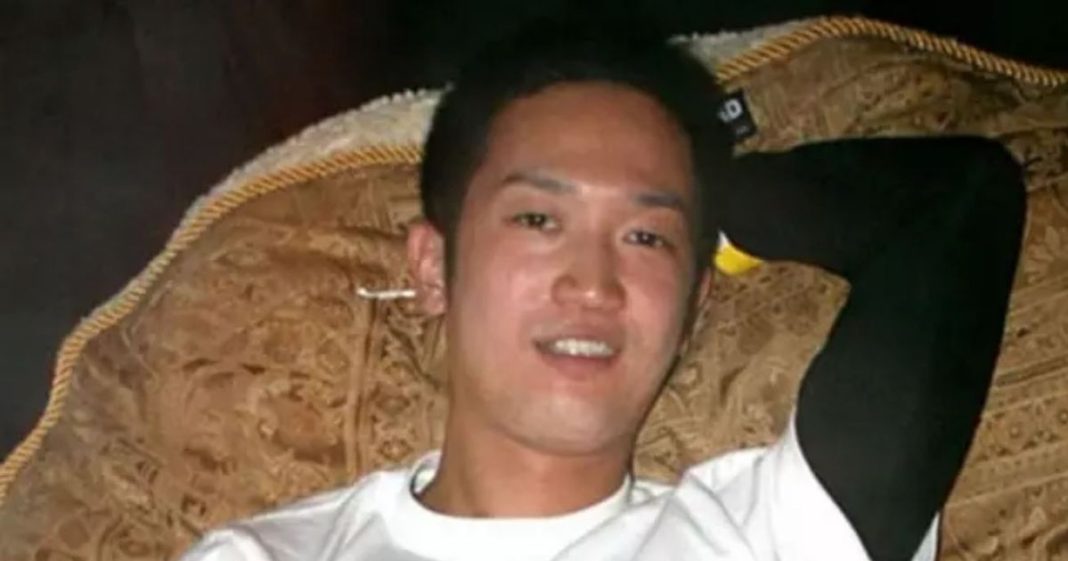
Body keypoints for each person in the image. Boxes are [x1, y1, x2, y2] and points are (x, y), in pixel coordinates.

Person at [178, 20, 1026, 561]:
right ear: (434, 267)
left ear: (694, 307)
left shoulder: (771, 535)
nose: (593, 283)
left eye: (644, 238)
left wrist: (708, 207)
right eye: (538, 219)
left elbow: (956, 204)